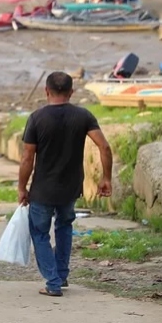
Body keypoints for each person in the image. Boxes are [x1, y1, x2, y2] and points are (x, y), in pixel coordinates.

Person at [18, 72, 113, 297]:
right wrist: (106, 178)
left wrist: (22, 188)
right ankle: (61, 274)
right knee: (64, 227)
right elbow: (105, 147)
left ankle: (53, 282)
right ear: (71, 92)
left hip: (43, 189)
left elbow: (27, 158)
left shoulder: (36, 118)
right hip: (71, 187)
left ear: (46, 91)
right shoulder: (83, 116)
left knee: (40, 233)